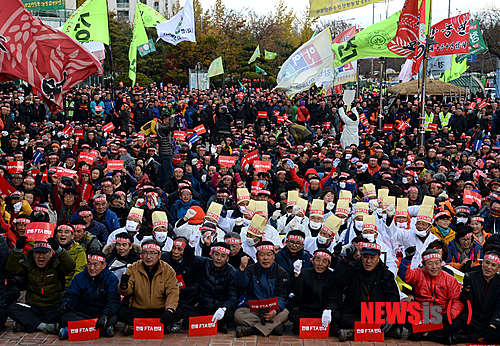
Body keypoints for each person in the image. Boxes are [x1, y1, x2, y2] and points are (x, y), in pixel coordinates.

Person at [330, 242, 400, 341]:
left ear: (378, 258)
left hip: (377, 312)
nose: (368, 261)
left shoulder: (386, 274)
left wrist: (390, 314)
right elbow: (338, 279)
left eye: (372, 258)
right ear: (361, 257)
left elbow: (393, 296)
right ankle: (383, 332)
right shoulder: (353, 267)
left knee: (398, 317)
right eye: (365, 257)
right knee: (343, 319)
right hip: (356, 312)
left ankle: (353, 333)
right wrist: (345, 261)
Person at [6, 237, 76, 334]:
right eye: (38, 253)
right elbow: (11, 268)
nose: (40, 256)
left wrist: (58, 248)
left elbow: (71, 265)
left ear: (51, 254)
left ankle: (28, 324)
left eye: (44, 253)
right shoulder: (28, 266)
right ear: (33, 254)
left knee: (70, 311)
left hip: (54, 307)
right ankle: (43, 326)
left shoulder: (57, 265)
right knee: (12, 309)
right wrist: (18, 249)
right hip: (34, 308)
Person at [399, 248, 464, 344]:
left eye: (437, 263)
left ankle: (422, 333)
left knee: (457, 323)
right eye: (430, 263)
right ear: (423, 264)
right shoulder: (418, 273)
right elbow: (405, 276)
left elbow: (456, 300)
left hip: (441, 315)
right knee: (401, 315)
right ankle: (435, 336)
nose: (434, 267)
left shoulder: (449, 279)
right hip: (422, 313)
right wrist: (407, 260)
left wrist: (450, 315)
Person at [117, 239, 182, 335]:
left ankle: (137, 327)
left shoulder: (168, 270)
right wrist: (123, 285)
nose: (148, 257)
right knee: (121, 312)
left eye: (152, 253)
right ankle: (159, 326)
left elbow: (173, 292)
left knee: (178, 312)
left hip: (160, 310)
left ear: (159, 255)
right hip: (139, 310)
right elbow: (126, 291)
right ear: (141, 255)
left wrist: (169, 310)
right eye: (145, 253)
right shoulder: (133, 268)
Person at [58, 251, 120, 340]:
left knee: (113, 318)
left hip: (100, 313)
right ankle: (101, 331)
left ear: (103, 266)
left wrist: (105, 314)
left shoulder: (111, 278)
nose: (91, 268)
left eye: (95, 265)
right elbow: (71, 294)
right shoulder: (79, 277)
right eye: (89, 264)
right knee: (64, 316)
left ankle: (72, 331)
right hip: (81, 313)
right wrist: (65, 302)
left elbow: (113, 300)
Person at [180, 242, 239, 333]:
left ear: (227, 259)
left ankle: (203, 322)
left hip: (219, 308)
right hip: (202, 307)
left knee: (230, 315)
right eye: (216, 254)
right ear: (212, 255)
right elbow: (189, 260)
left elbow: (233, 296)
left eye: (223, 256)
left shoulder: (232, 272)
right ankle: (215, 324)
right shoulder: (204, 263)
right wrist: (191, 245)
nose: (218, 258)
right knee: (182, 309)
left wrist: (223, 308)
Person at [234, 241, 289, 337]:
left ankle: (252, 330)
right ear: (256, 256)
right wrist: (242, 269)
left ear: (274, 256)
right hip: (254, 309)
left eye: (269, 254)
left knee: (285, 313)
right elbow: (240, 284)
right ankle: (272, 327)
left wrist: (274, 311)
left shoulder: (281, 272)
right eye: (261, 255)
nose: (265, 258)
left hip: (272, 309)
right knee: (238, 314)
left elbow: (282, 296)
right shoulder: (250, 269)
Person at [453, 250, 500, 344]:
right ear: (482, 263)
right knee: (463, 319)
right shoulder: (471, 277)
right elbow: (465, 302)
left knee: (494, 331)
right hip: (475, 320)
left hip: (492, 321)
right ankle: (482, 337)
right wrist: (466, 290)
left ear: (498, 269)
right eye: (486, 263)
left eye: (493, 265)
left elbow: (498, 307)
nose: (488, 267)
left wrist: (493, 325)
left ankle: (468, 338)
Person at [288, 249, 336, 335]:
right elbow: (296, 290)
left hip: (324, 311)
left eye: (324, 261)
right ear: (312, 261)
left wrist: (329, 310)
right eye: (317, 260)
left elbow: (335, 297)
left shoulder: (333, 276)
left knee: (338, 317)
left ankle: (306, 326)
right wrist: (296, 275)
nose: (320, 264)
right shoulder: (305, 273)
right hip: (307, 311)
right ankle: (320, 327)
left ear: (329, 264)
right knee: (293, 315)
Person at [54, 224, 87, 288]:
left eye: (66, 232)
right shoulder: (51, 249)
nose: (63, 234)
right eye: (60, 232)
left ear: (72, 236)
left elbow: (78, 272)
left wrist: (70, 289)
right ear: (56, 235)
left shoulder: (79, 251)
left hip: (69, 286)